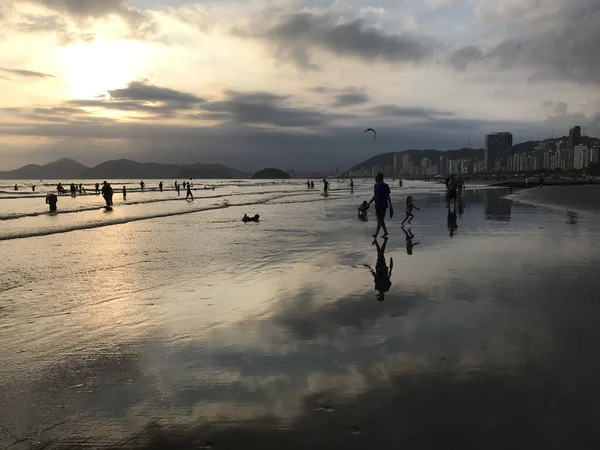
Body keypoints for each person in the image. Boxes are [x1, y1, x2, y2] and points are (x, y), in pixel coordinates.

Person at [364, 237, 393, 301]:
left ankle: (379, 241)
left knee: (380, 254)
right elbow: (388, 276)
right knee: (380, 254)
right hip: (381, 269)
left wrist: (369, 268)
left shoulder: (380, 287)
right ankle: (380, 241)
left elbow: (375, 276)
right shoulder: (380, 287)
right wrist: (391, 266)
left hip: (381, 269)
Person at [367, 173, 393, 238]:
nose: (375, 178)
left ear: (379, 178)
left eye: (376, 177)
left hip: (383, 205)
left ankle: (377, 234)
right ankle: (384, 232)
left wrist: (391, 206)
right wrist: (369, 203)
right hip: (377, 205)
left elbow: (388, 196)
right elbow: (375, 196)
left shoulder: (386, 186)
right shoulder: (375, 185)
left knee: (380, 219)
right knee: (380, 220)